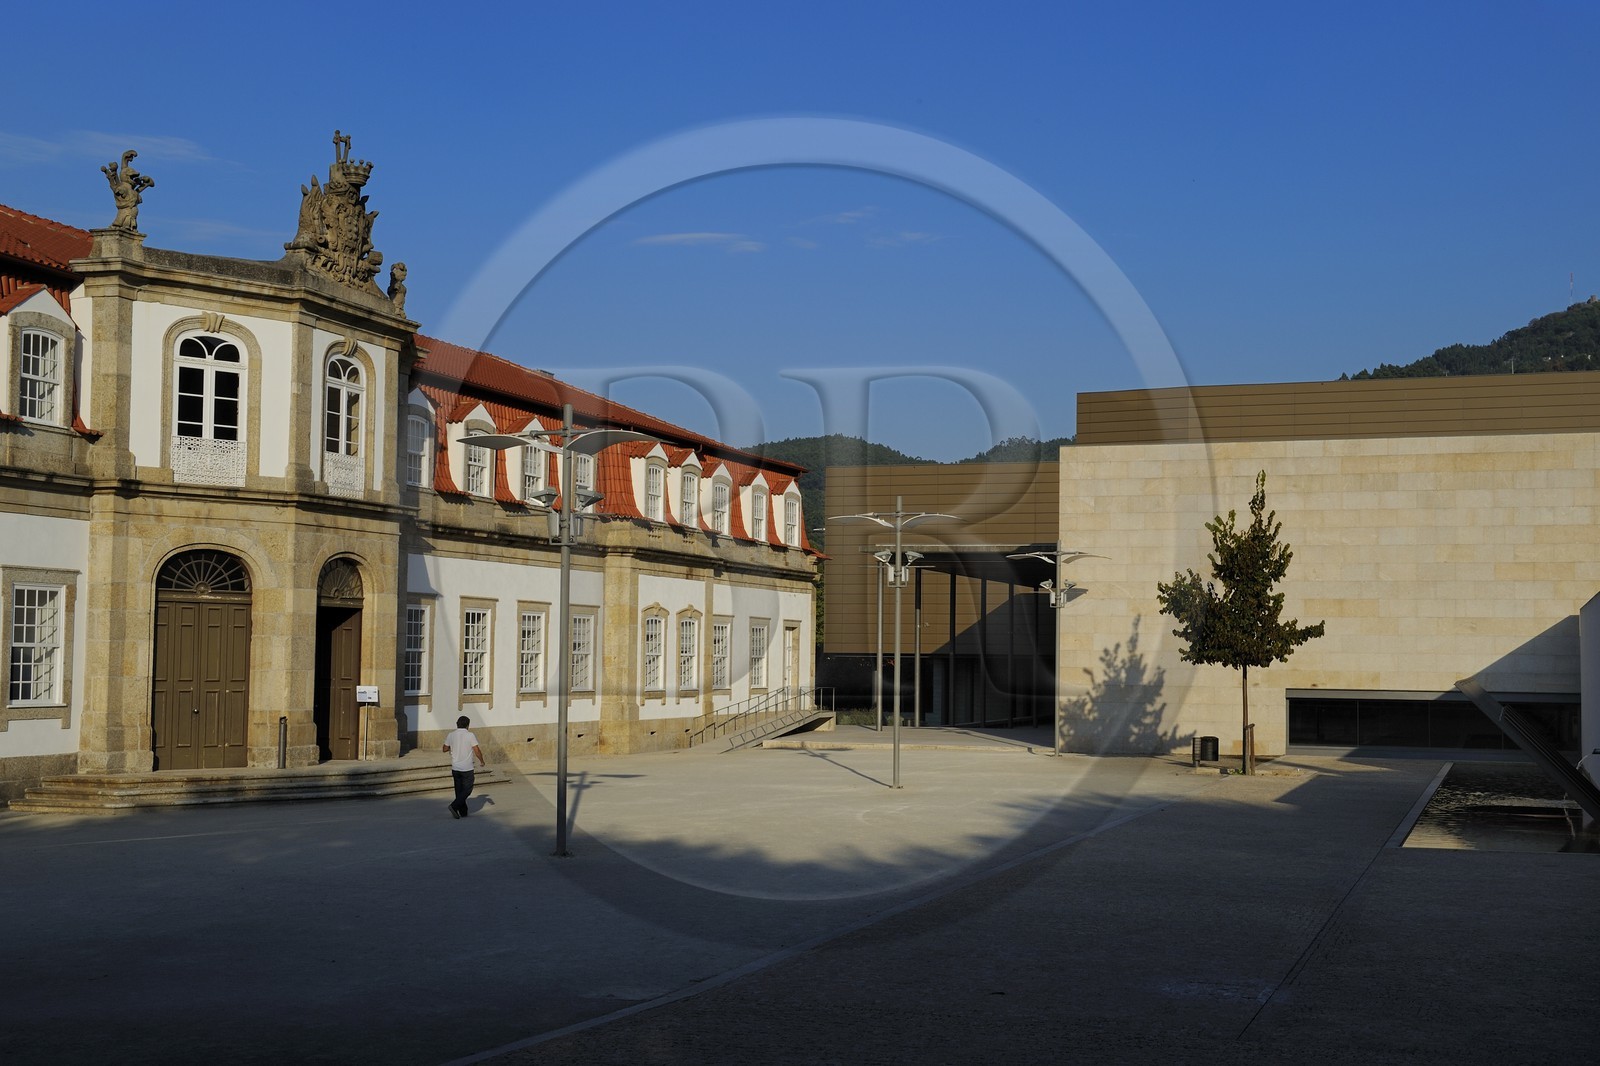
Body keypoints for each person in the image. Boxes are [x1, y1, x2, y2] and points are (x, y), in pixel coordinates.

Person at [443, 715, 485, 819]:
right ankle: (454, 806)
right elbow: (477, 750)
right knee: (467, 789)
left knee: (459, 790)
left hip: (455, 768)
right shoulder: (470, 735)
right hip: (467, 768)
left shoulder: (451, 735)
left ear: (457, 724)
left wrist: (451, 747)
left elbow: (444, 749)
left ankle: (463, 812)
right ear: (467, 725)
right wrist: (482, 760)